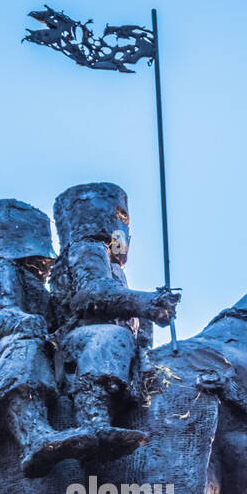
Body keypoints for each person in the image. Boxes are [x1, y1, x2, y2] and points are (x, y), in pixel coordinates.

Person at [50, 181, 179, 461]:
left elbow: (133, 316)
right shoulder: (87, 249)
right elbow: (93, 292)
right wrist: (149, 303)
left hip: (119, 343)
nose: (124, 231)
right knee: (110, 338)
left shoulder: (114, 265)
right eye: (119, 221)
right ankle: (93, 422)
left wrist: (146, 334)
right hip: (82, 340)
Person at [0, 198, 96, 477]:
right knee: (25, 348)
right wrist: (27, 322)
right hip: (6, 348)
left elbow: (59, 321)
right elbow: (1, 314)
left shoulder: (38, 284)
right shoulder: (0, 268)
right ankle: (34, 435)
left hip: (49, 350)